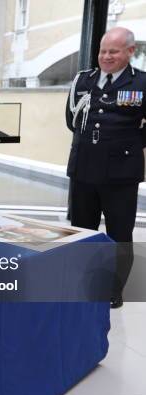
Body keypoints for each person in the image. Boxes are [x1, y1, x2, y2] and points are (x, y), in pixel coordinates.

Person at [65, 27, 146, 309]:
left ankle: (113, 289)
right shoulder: (83, 80)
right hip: (84, 167)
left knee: (119, 234)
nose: (106, 56)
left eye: (113, 51)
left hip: (121, 173)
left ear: (130, 52)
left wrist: (128, 144)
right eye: (102, 51)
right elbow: (72, 119)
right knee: (81, 230)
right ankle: (84, 281)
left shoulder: (142, 83)